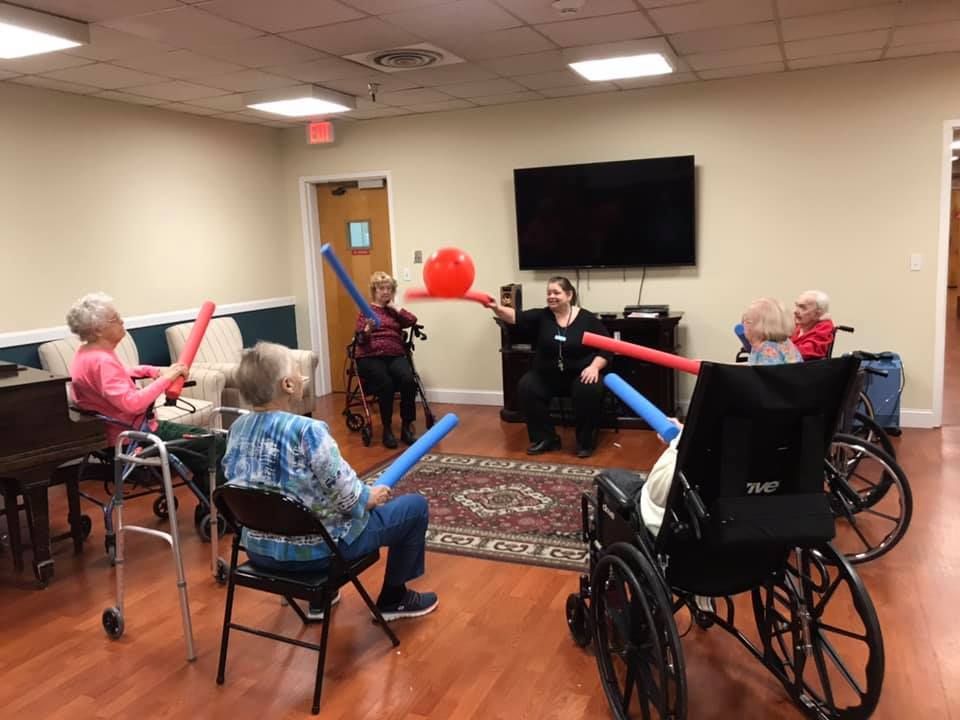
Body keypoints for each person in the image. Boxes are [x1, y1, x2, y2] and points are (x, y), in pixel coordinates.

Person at [222, 341, 438, 622]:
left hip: (260, 551)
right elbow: (349, 499)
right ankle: (393, 599)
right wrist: (368, 497)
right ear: (289, 385)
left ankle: (318, 600)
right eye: (298, 370)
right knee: (414, 507)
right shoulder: (307, 431)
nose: (302, 375)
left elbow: (239, 484)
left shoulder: (237, 428)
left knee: (301, 507)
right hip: (318, 554)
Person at [639, 297, 802, 537]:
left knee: (675, 448)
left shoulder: (766, 351)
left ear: (757, 325)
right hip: (783, 436)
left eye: (745, 321)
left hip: (751, 442)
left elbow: (748, 403)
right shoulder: (785, 347)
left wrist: (686, 431)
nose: (742, 327)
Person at [67, 291, 225, 488]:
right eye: (115, 319)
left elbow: (120, 374)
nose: (122, 321)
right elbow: (131, 404)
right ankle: (212, 507)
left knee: (203, 449)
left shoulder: (86, 353)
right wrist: (166, 379)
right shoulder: (102, 360)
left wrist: (155, 371)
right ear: (98, 330)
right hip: (134, 435)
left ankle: (205, 491)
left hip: (117, 431)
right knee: (217, 441)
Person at [488, 276, 612, 458]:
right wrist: (495, 307)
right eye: (548, 293)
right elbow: (515, 317)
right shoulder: (543, 316)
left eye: (556, 292)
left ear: (569, 295)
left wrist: (594, 367)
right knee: (527, 386)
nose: (551, 296)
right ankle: (546, 439)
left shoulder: (587, 319)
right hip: (548, 375)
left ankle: (585, 442)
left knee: (589, 389)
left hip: (580, 374)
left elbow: (607, 347)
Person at [354, 271, 419, 449]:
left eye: (389, 289)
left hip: (394, 354)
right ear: (374, 290)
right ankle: (387, 429)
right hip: (370, 355)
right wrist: (368, 329)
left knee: (408, 381)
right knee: (386, 384)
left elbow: (412, 320)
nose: (385, 292)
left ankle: (406, 427)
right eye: (381, 288)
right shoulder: (366, 311)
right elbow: (360, 339)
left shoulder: (393, 312)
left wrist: (396, 308)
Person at [791, 290, 835, 360]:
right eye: (797, 306)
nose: (795, 311)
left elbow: (807, 352)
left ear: (818, 313)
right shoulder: (797, 325)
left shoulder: (824, 328)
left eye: (803, 307)